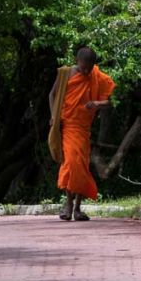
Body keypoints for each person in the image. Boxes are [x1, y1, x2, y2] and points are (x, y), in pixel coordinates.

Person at [48, 46, 115, 221]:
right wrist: (54, 116)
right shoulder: (65, 74)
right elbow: (52, 95)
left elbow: (110, 102)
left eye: (89, 68)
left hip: (84, 129)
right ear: (77, 61)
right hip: (68, 126)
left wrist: (96, 103)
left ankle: (77, 208)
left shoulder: (97, 77)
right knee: (71, 163)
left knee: (82, 166)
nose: (86, 71)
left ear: (94, 65)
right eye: (84, 67)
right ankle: (69, 204)